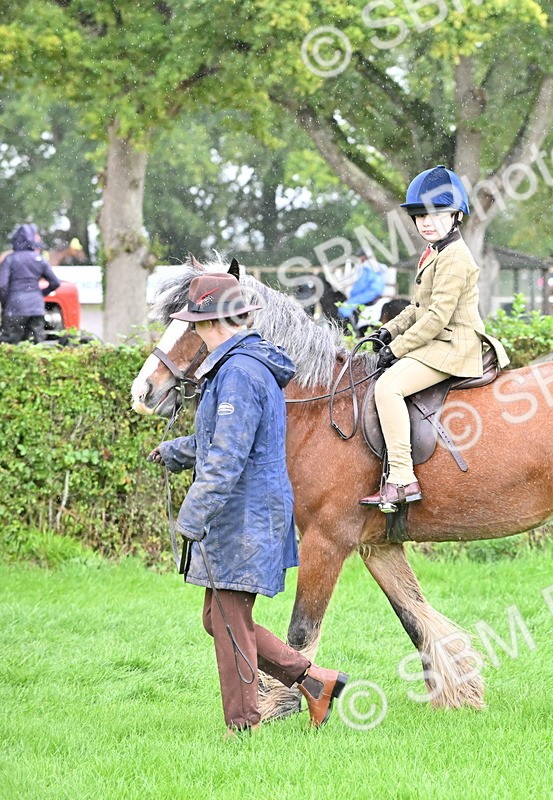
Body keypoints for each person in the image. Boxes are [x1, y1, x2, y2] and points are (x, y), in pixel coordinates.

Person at [149, 272, 349, 736]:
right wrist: (176, 452)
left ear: (213, 322)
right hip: (250, 509)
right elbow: (226, 438)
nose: (194, 332)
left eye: (195, 323)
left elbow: (226, 458)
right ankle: (313, 681)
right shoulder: (245, 365)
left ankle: (243, 725)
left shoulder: (238, 372)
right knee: (218, 617)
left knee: (228, 620)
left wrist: (193, 515)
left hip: (245, 515)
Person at [360, 165, 510, 510]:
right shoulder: (434, 252)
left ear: (456, 215)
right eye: (419, 215)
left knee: (388, 386)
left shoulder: (456, 257)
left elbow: (437, 316)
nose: (426, 222)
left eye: (435, 214)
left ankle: (401, 477)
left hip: (454, 346)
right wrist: (387, 331)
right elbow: (416, 308)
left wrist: (396, 349)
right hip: (437, 341)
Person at [0, 223, 61, 344]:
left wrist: (6, 302)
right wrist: (40, 294)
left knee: (9, 346)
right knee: (35, 345)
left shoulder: (10, 259)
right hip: (36, 308)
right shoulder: (39, 259)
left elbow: (2, 285)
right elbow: (55, 282)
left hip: (15, 307)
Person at [337, 249, 387, 328]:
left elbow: (360, 285)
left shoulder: (366, 267)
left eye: (359, 258)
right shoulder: (378, 266)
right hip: (378, 292)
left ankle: (353, 330)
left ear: (363, 257)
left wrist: (352, 293)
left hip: (369, 293)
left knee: (344, 308)